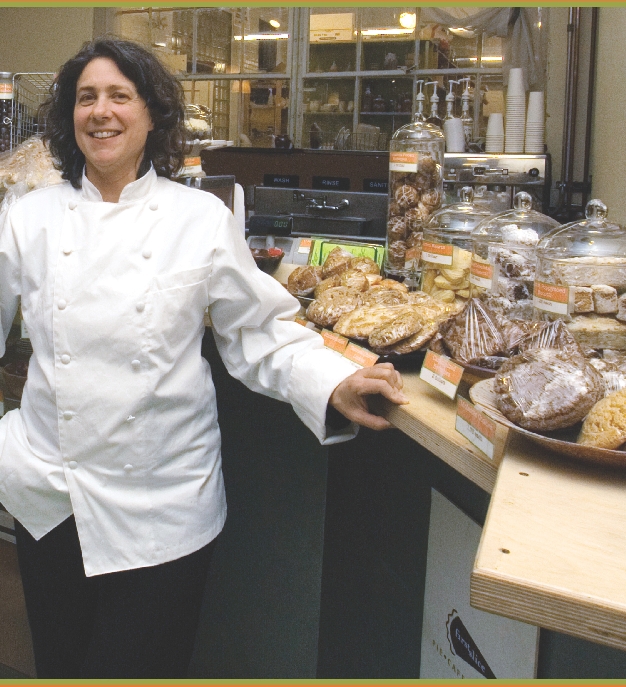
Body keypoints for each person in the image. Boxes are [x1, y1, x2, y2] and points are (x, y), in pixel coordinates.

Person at [0, 38, 408, 679]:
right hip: (53, 494)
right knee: (60, 663)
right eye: (85, 98)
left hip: (162, 500)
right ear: (68, 116)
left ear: (153, 115)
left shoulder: (200, 218)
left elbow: (256, 332)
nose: (100, 112)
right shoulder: (28, 217)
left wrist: (333, 381)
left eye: (118, 96)